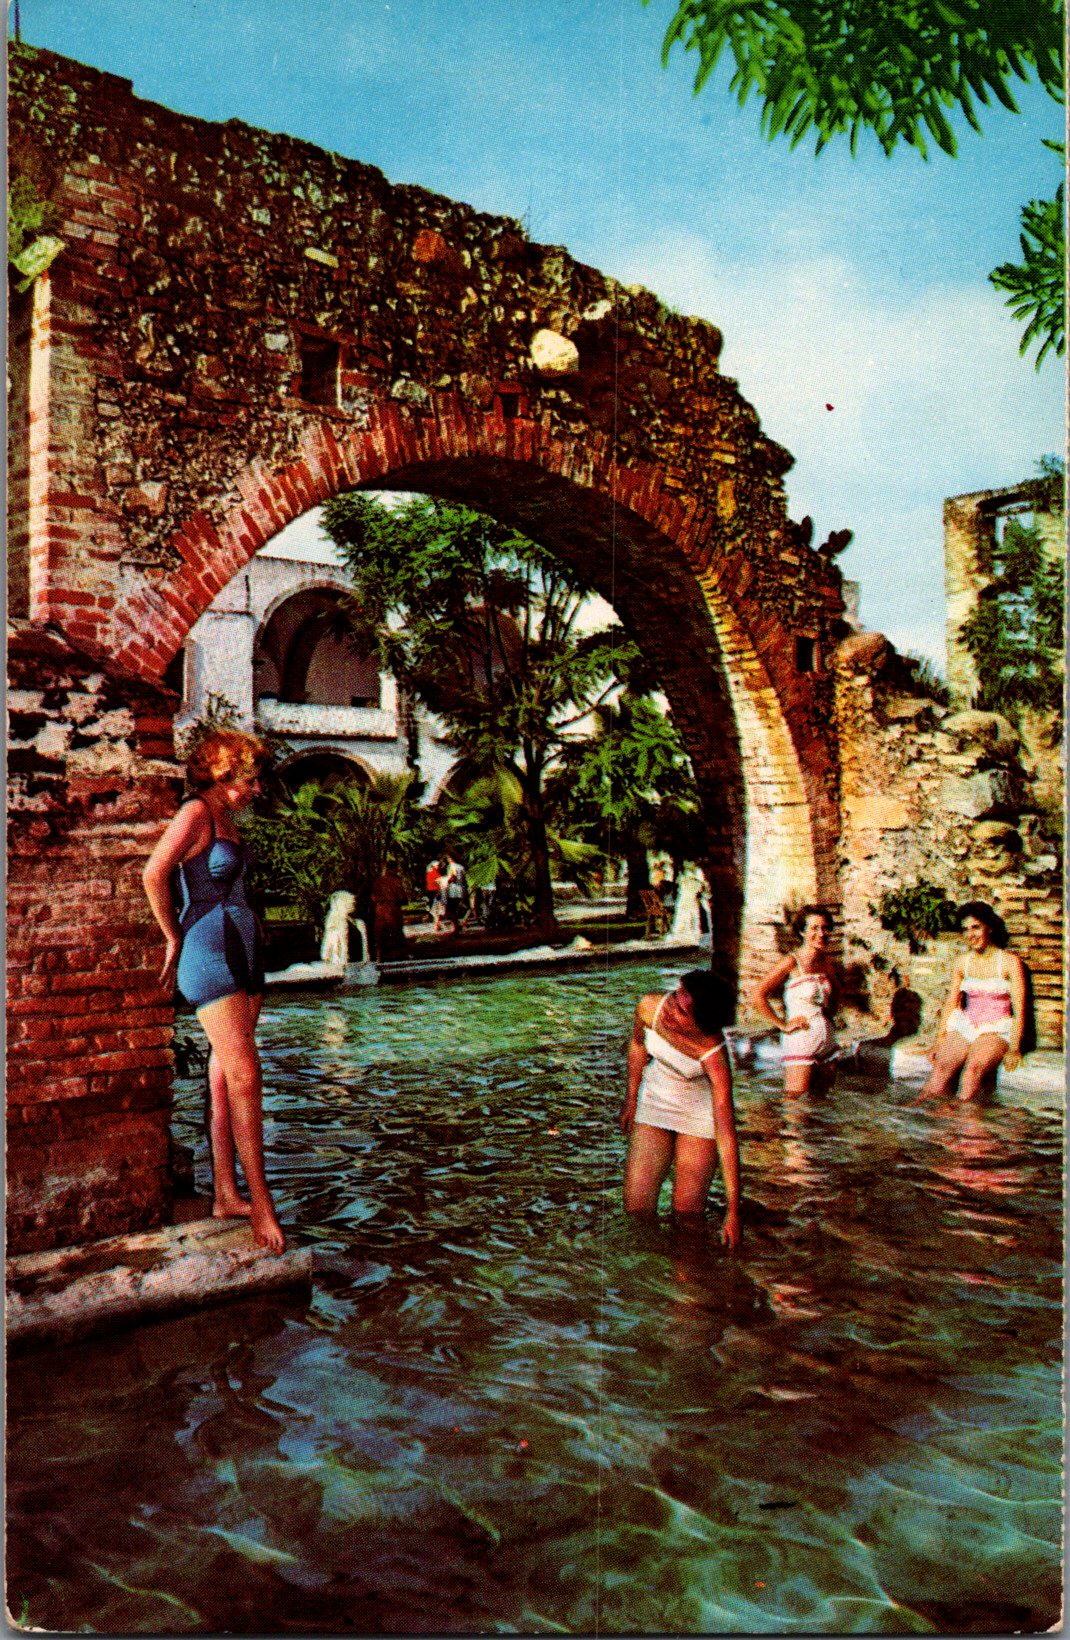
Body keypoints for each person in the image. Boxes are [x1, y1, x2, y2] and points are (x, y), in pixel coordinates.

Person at [142, 729, 286, 1254]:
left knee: (226, 1074)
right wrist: (171, 935)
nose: (256, 790)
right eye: (250, 780)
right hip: (209, 956)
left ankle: (226, 1193)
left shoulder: (226, 818)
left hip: (244, 952)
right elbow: (154, 872)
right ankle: (263, 1206)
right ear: (225, 774)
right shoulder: (196, 812)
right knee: (248, 1077)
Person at [620, 970, 741, 1247]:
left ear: (699, 1025)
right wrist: (631, 1098)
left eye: (681, 1012)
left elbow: (726, 1132)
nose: (669, 1010)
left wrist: (734, 1211)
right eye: (674, 996)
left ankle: (688, 1280)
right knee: (636, 1210)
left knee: (686, 1219)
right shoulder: (650, 1006)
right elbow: (638, 1045)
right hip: (656, 1098)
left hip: (698, 1113)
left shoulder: (713, 1052)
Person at [916, 900, 1025, 1102]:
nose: (971, 935)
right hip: (966, 1025)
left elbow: (1019, 1010)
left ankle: (966, 1127)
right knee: (941, 1068)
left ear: (989, 927)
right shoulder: (962, 962)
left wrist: (1015, 1049)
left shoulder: (1010, 962)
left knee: (972, 1072)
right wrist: (939, 1040)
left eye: (976, 927)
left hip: (996, 1028)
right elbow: (951, 1003)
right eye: (965, 930)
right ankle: (915, 1120)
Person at [750, 906, 838, 1094]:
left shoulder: (825, 961)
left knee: (823, 1105)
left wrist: (828, 1019)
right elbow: (758, 995)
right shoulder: (791, 962)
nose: (821, 934)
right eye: (814, 928)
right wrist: (781, 1025)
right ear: (802, 931)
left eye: (825, 928)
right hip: (801, 1040)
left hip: (827, 1041)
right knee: (796, 1107)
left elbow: (837, 995)